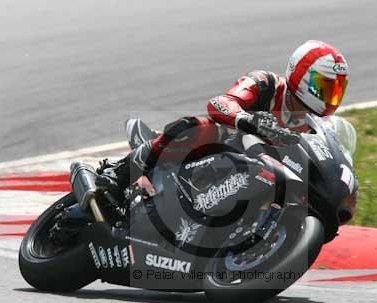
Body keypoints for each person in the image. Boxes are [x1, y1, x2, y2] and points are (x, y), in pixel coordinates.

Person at [103, 40, 354, 196]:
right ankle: (119, 173)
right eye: (323, 86)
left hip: (263, 172)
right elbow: (219, 103)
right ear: (300, 73)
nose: (329, 96)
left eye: (335, 90)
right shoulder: (266, 83)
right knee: (196, 126)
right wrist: (248, 120)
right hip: (223, 150)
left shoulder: (315, 125)